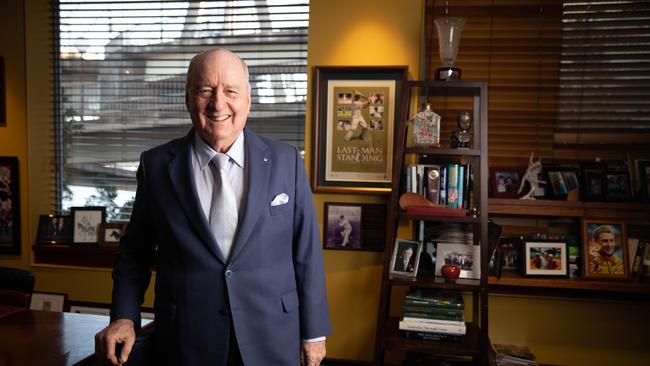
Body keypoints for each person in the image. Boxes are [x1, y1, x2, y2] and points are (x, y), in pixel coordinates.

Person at [95, 48, 331, 366]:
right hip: (186, 340)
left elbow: (306, 254)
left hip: (272, 335)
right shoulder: (157, 165)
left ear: (248, 98)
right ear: (188, 98)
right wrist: (124, 316)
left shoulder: (286, 160)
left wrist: (313, 334)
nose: (218, 103)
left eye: (230, 91)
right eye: (204, 90)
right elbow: (134, 254)